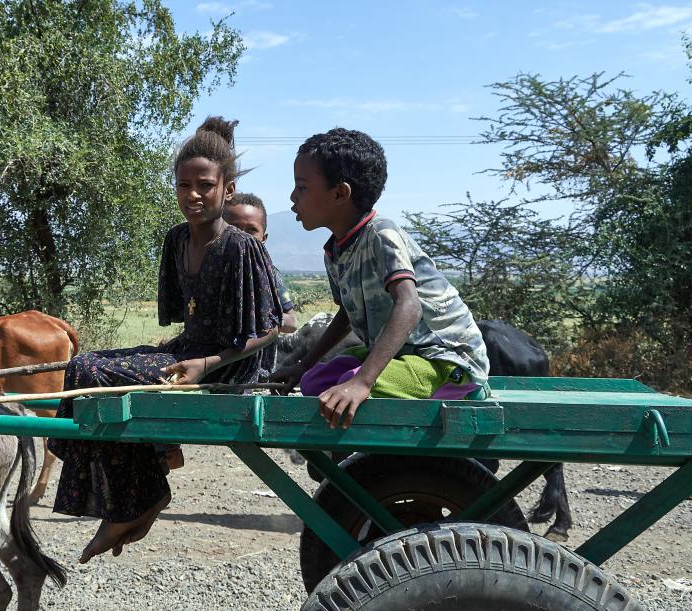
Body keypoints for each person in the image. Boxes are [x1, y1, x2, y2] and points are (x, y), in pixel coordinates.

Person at [49, 116, 283, 563]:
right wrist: (168, 352)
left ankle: (141, 496)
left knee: (99, 376)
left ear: (226, 189)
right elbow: (186, 318)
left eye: (205, 185)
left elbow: (269, 329)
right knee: (83, 365)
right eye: (183, 185)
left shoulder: (240, 246)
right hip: (188, 351)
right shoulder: (176, 239)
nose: (192, 195)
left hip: (229, 364)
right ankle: (142, 486)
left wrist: (208, 364)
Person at [272, 128, 490, 429]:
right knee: (315, 381)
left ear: (339, 193)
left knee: (349, 385)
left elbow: (409, 307)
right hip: (402, 354)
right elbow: (347, 315)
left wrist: (362, 382)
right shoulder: (336, 250)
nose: (293, 197)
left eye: (302, 187)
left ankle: (462, 390)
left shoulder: (381, 234)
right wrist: (302, 365)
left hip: (444, 358)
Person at [224, 192, 297, 380]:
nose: (242, 237)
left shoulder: (270, 275)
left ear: (263, 238)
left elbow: (291, 323)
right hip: (216, 373)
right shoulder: (213, 272)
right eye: (233, 228)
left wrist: (262, 319)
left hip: (257, 377)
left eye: (251, 230)